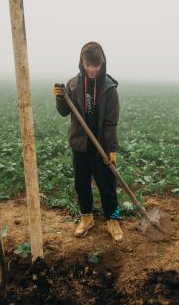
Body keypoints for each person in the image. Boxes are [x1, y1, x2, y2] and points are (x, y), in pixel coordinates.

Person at [52, 41, 124, 243]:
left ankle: (112, 219)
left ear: (102, 64)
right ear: (82, 63)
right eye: (88, 65)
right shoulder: (73, 85)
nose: (92, 69)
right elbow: (65, 112)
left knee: (107, 185)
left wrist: (111, 149)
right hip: (80, 145)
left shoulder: (109, 88)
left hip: (100, 145)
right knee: (81, 184)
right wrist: (60, 98)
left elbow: (111, 122)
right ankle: (87, 218)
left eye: (96, 65)